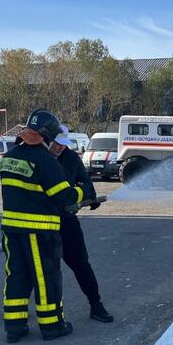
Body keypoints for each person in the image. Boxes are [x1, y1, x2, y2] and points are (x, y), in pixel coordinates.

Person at [0, 109, 96, 343]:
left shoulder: (9, 157)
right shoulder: (45, 161)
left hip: (11, 229)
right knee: (46, 278)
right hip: (39, 231)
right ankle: (52, 325)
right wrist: (85, 192)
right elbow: (65, 197)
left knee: (16, 276)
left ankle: (14, 327)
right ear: (47, 135)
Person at [49, 126, 113, 323]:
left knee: (81, 264)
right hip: (43, 224)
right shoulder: (38, 157)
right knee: (46, 270)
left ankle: (96, 305)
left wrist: (89, 197)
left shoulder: (71, 158)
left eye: (63, 145)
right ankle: (48, 315)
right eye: (57, 144)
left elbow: (86, 184)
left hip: (67, 222)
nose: (60, 148)